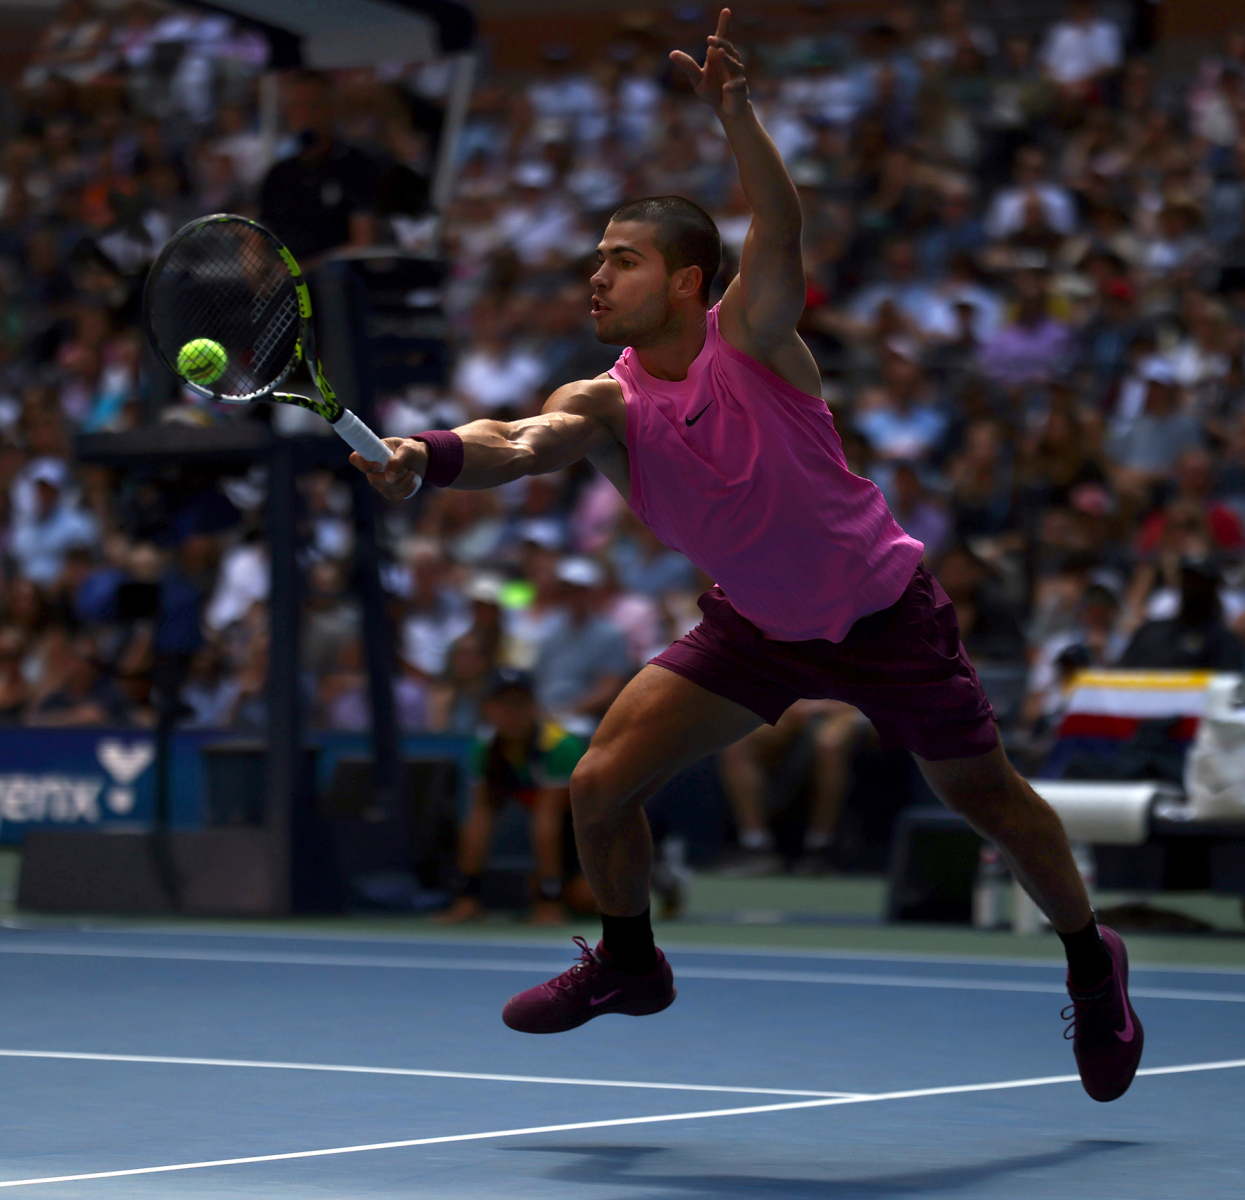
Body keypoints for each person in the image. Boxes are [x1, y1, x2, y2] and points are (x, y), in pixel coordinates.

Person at [352, 10, 1143, 1104]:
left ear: (686, 281)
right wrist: (426, 457)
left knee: (991, 803)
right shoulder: (605, 401)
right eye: (594, 260)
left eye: (621, 262)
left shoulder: (755, 338)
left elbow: (780, 223)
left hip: (886, 617)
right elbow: (520, 446)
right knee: (597, 787)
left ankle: (1090, 965)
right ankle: (631, 962)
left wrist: (739, 116)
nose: (596, 278)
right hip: (754, 628)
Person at [438, 669, 591, 926]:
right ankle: (468, 900)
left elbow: (547, 820)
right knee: (532, 890)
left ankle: (654, 875)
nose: (511, 713)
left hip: (594, 841)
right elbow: (480, 817)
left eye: (520, 704)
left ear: (534, 707)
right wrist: (466, 897)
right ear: (488, 708)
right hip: (563, 846)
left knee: (587, 899)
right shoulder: (485, 748)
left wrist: (548, 900)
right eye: (502, 704)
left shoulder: (560, 746)